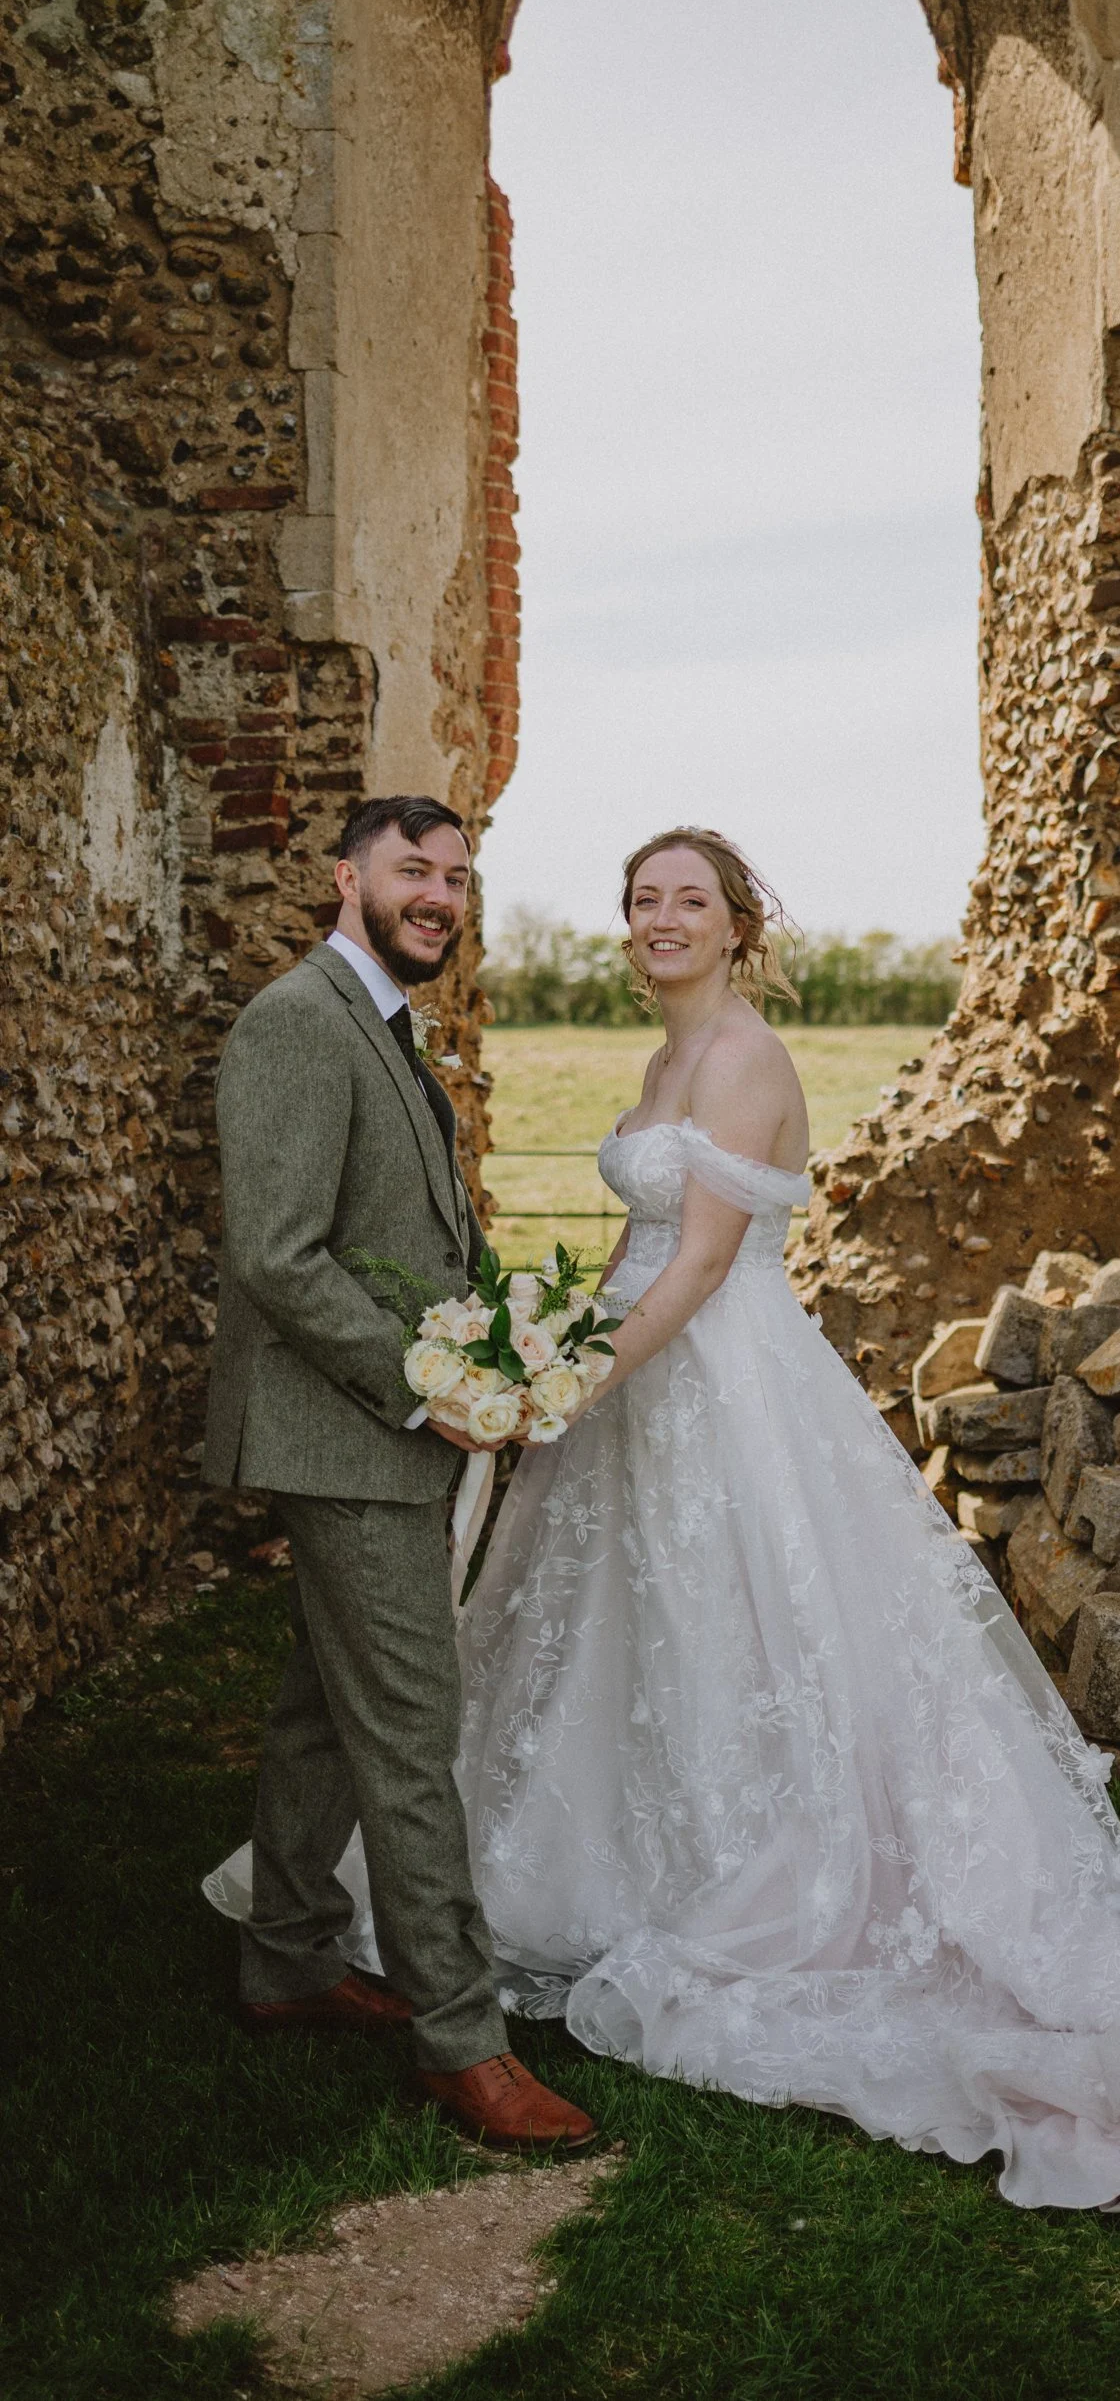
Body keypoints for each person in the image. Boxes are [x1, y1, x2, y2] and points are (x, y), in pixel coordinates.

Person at [445, 828, 1120, 2274]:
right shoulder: (653, 1064)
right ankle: (631, 1852)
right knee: (635, 1632)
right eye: (641, 900)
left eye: (687, 899)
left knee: (749, 1625)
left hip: (718, 1379)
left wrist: (567, 1381)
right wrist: (567, 1355)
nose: (659, 920)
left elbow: (700, 1266)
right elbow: (647, 1253)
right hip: (643, 1381)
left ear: (737, 923)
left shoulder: (746, 1056)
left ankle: (779, 1881)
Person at [203, 793, 593, 2151]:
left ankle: (290, 1957)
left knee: (326, 1704)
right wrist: (435, 1388)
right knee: (413, 1737)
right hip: (350, 1439)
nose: (439, 892)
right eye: (412, 869)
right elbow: (279, 1254)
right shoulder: (298, 1024)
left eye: (457, 873)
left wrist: (507, 1344)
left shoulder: (382, 1026)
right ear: (344, 877)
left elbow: (413, 1238)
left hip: (379, 1434)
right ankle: (462, 2043)